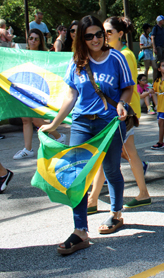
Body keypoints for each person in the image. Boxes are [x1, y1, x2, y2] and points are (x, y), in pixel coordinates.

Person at [39, 15, 134, 255]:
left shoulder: (116, 58)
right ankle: (80, 231)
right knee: (77, 175)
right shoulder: (77, 61)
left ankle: (116, 214)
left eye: (98, 34)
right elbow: (70, 97)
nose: (94, 39)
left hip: (109, 122)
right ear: (81, 38)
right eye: (88, 35)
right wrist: (54, 124)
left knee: (111, 169)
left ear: (104, 35)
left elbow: (128, 87)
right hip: (82, 122)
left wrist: (122, 103)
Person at [86, 16, 151, 211]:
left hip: (122, 114)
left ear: (120, 34)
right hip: (115, 113)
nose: (104, 36)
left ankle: (93, 199)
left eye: (108, 32)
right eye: (102, 32)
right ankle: (142, 193)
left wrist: (122, 109)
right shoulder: (112, 53)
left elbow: (127, 86)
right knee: (122, 154)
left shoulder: (125, 55)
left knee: (108, 155)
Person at [13, 29, 66, 160]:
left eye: (36, 39)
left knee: (36, 120)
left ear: (40, 41)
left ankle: (59, 137)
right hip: (24, 90)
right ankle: (28, 149)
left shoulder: (44, 55)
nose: (33, 41)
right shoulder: (23, 54)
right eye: (31, 38)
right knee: (25, 119)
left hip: (39, 91)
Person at [151, 15, 164, 81]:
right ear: (159, 21)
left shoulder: (162, 28)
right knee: (158, 61)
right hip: (158, 46)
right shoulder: (155, 28)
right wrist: (154, 47)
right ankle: (156, 76)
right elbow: (152, 37)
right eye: (163, 20)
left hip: (163, 46)